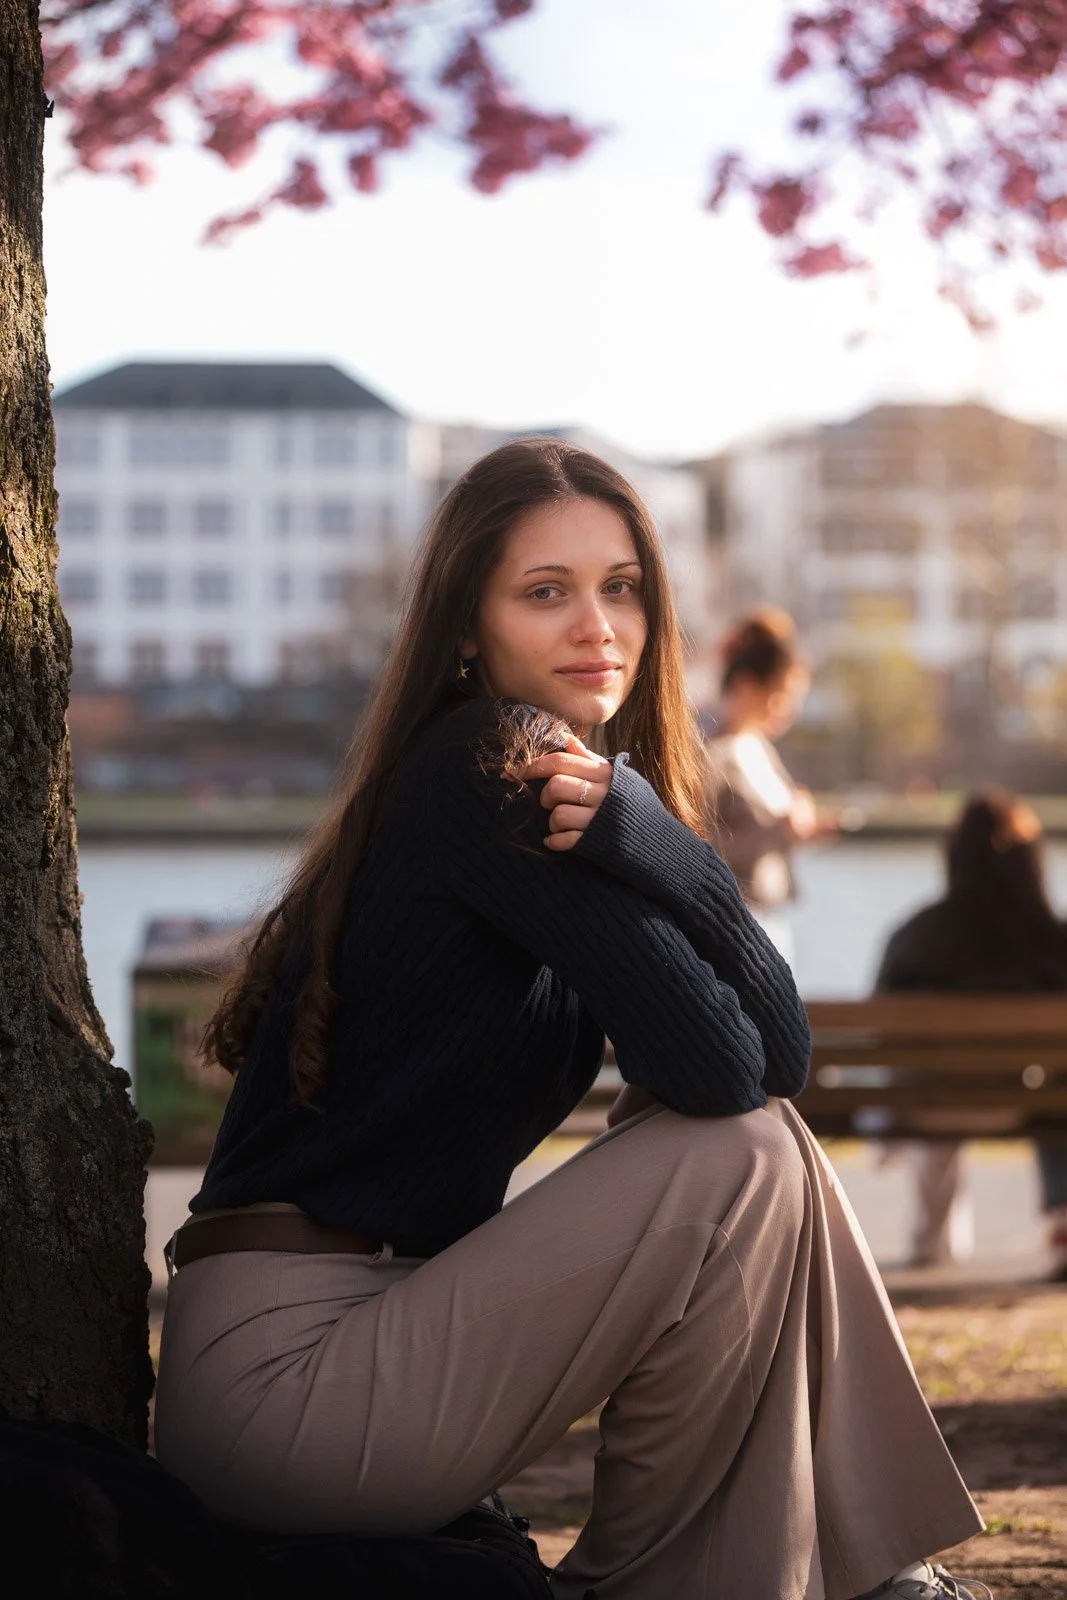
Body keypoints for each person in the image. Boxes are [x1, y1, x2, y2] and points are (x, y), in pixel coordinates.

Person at [154, 439, 990, 1600]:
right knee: (735, 1150)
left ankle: (816, 1566)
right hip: (288, 1378)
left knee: (757, 1148)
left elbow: (774, 1056)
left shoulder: (567, 792)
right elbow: (723, 1073)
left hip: (366, 1342)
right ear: (467, 628)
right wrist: (671, 852)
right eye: (544, 592)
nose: (595, 622)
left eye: (619, 586)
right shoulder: (493, 771)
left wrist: (663, 846)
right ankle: (695, 1577)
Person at [876, 789, 1067, 1277]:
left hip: (926, 1102)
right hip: (1016, 1101)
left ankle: (930, 1237)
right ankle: (1064, 1215)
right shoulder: (1052, 941)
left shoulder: (916, 935)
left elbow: (881, 1029)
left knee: (933, 1077)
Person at [704, 608, 834, 963]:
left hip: (768, 919)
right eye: (782, 696)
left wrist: (798, 827)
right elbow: (692, 843)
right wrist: (779, 828)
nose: (789, 710)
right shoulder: (713, 756)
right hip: (732, 926)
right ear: (746, 686)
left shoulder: (759, 749)